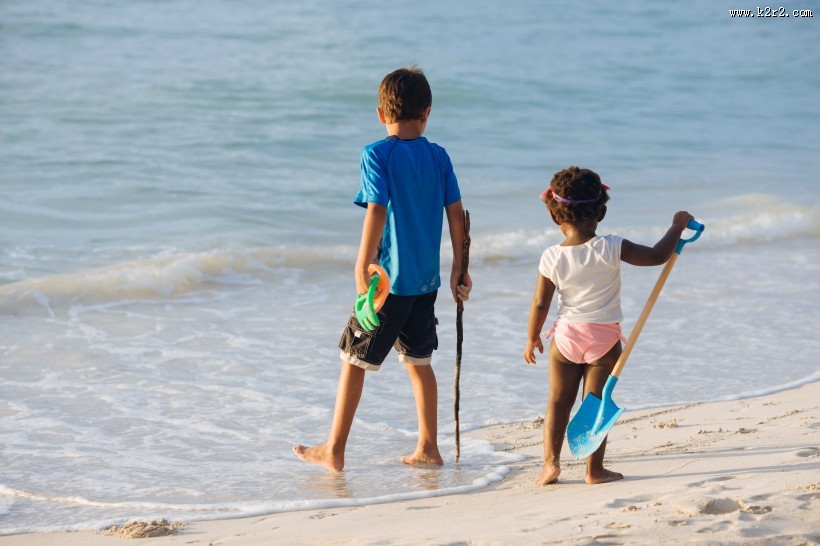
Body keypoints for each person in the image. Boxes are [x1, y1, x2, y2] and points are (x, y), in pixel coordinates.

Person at [293, 66, 471, 472]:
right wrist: (459, 266)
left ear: (379, 114)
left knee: (353, 359)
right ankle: (429, 446)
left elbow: (377, 209)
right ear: (427, 112)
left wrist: (362, 262)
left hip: (385, 283)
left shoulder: (376, 154)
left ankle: (334, 449)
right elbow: (456, 214)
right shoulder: (438, 155)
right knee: (420, 363)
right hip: (425, 283)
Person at [523, 166, 693, 485]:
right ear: (601, 212)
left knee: (558, 401)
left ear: (554, 216)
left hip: (565, 339)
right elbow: (657, 255)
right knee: (596, 405)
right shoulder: (612, 246)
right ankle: (594, 470)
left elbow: (540, 303)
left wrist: (532, 337)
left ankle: (550, 465)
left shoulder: (550, 257)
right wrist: (676, 226)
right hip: (603, 340)